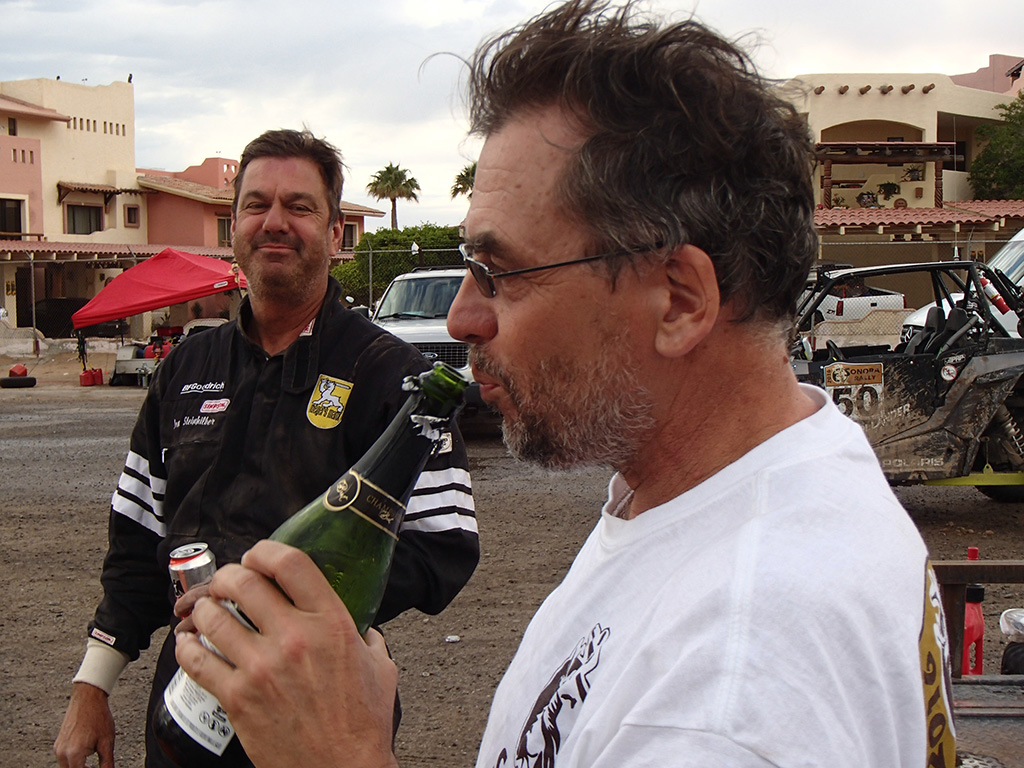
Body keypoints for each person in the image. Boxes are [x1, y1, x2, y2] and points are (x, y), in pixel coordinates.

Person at [174, 3, 956, 767]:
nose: (462, 318)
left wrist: (340, 755)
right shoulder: (713, 491)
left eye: (500, 272)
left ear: (678, 300)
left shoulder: (731, 691)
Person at [54, 128, 479, 768]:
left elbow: (444, 543)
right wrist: (92, 684)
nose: (274, 222)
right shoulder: (186, 367)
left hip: (323, 708)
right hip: (185, 704)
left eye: (299, 207)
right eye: (256, 205)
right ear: (235, 228)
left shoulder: (395, 376)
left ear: (334, 234)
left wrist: (279, 606)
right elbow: (136, 540)